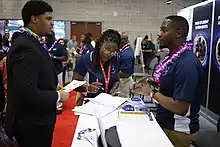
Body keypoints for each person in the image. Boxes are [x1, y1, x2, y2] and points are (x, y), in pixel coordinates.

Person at [5, 1, 69, 147]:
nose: (52, 23)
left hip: (37, 122)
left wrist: (52, 84)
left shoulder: (33, 42)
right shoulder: (25, 47)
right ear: (34, 19)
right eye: (48, 18)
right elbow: (26, 93)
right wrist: (58, 96)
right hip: (30, 126)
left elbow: (36, 75)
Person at [137, 15, 204, 147]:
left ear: (178, 33)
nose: (159, 34)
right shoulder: (172, 57)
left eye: (164, 30)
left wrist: (151, 93)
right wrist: (153, 82)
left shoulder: (186, 63)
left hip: (177, 132)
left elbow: (180, 107)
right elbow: (171, 86)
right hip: (166, 124)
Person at [73, 29, 121, 102]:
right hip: (88, 103)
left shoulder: (115, 59)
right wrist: (88, 88)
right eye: (107, 49)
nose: (109, 53)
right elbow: (74, 85)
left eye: (114, 51)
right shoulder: (85, 59)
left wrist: (114, 88)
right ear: (100, 45)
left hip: (108, 102)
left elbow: (117, 80)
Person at [117, 32, 134, 97]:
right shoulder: (125, 50)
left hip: (124, 82)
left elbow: (126, 73)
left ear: (123, 41)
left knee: (122, 102)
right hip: (123, 81)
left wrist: (112, 74)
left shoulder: (126, 55)